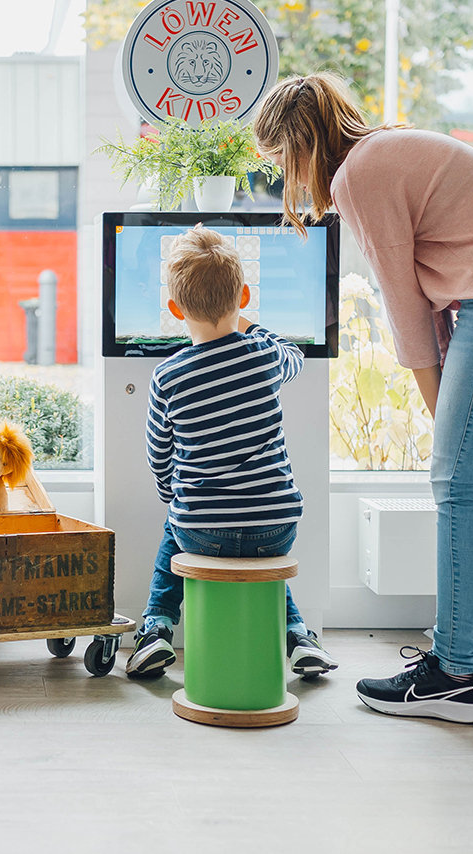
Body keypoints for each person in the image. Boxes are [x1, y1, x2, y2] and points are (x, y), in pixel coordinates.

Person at [254, 73, 473, 723]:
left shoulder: (358, 173)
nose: (287, 181)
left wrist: (439, 410)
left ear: (297, 146)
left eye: (278, 164)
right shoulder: (392, 146)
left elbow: (404, 307)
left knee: (458, 484)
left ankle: (453, 675)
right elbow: (430, 300)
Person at [126, 226, 337, 680]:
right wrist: (250, 326)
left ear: (174, 309)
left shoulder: (167, 376)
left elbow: (158, 455)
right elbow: (294, 354)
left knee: (175, 523)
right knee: (264, 567)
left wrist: (170, 494)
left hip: (202, 532)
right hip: (276, 524)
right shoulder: (263, 357)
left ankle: (155, 628)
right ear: (243, 297)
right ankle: (299, 636)